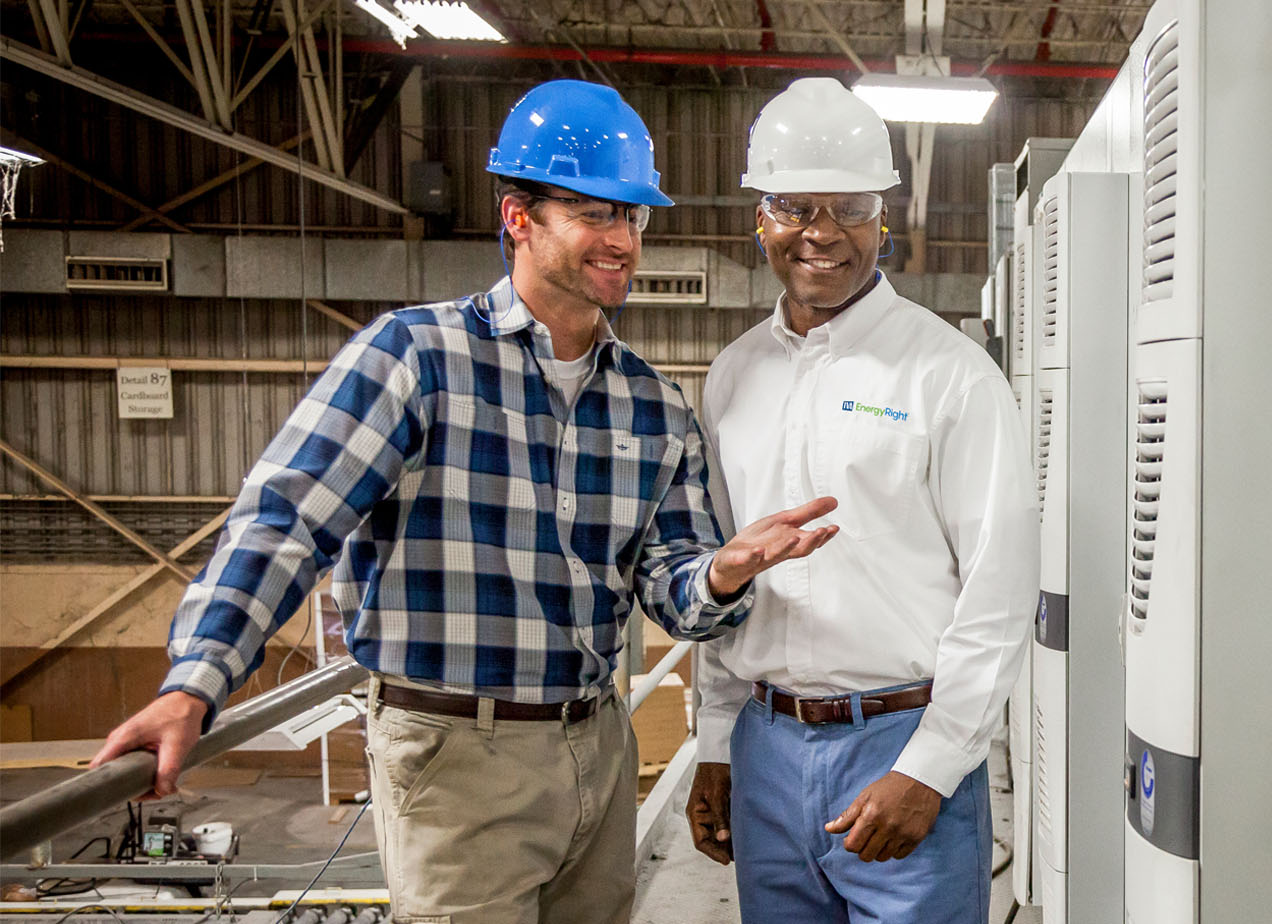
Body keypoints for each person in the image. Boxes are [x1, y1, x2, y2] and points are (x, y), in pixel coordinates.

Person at [89, 79, 837, 924]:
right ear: (519, 218)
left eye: (633, 217)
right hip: (454, 754)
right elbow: (287, 519)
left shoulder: (653, 403)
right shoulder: (414, 358)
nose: (622, 241)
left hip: (597, 743)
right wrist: (196, 683)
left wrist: (725, 575)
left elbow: (675, 590)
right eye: (596, 213)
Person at [685, 77, 1039, 922]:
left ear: (884, 218)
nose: (821, 233)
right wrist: (714, 743)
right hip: (764, 744)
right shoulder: (735, 377)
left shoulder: (948, 375)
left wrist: (932, 766)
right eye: (793, 207)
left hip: (900, 740)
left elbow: (1000, 584)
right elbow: (728, 575)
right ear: (759, 221)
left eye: (849, 207)